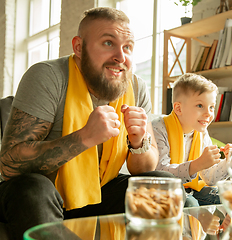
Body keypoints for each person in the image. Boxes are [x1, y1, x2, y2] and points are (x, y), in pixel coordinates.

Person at [0, 7, 174, 240]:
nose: (121, 57)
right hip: (42, 196)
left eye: (128, 47)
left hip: (99, 193)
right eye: (108, 43)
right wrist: (84, 138)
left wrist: (139, 141)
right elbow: (10, 163)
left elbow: (144, 167)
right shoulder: (48, 76)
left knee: (163, 185)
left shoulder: (136, 87)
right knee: (33, 189)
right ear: (78, 47)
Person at [152, 73, 232, 207]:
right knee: (191, 204)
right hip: (166, 192)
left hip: (194, 190)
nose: (209, 113)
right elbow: (161, 172)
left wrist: (229, 162)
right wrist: (197, 165)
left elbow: (210, 178)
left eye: (211, 107)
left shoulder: (201, 133)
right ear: (178, 108)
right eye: (200, 106)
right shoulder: (158, 128)